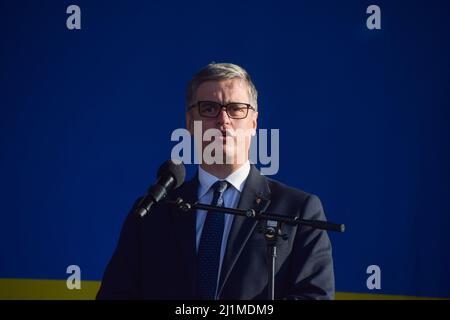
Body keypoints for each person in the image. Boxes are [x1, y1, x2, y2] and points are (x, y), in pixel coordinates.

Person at [97, 63, 335, 300]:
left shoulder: (298, 210)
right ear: (190, 123)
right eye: (209, 108)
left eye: (236, 109)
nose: (223, 120)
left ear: (253, 123)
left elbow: (314, 297)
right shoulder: (153, 212)